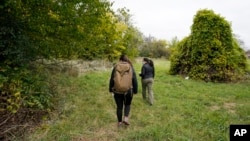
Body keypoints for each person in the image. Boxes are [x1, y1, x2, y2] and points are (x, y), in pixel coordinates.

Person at [109, 55, 138, 127]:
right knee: (127, 104)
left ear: (120, 60)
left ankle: (119, 123)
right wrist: (135, 90)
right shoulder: (130, 67)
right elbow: (134, 79)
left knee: (119, 107)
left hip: (117, 90)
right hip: (128, 90)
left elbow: (112, 78)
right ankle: (125, 118)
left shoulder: (116, 67)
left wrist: (110, 89)